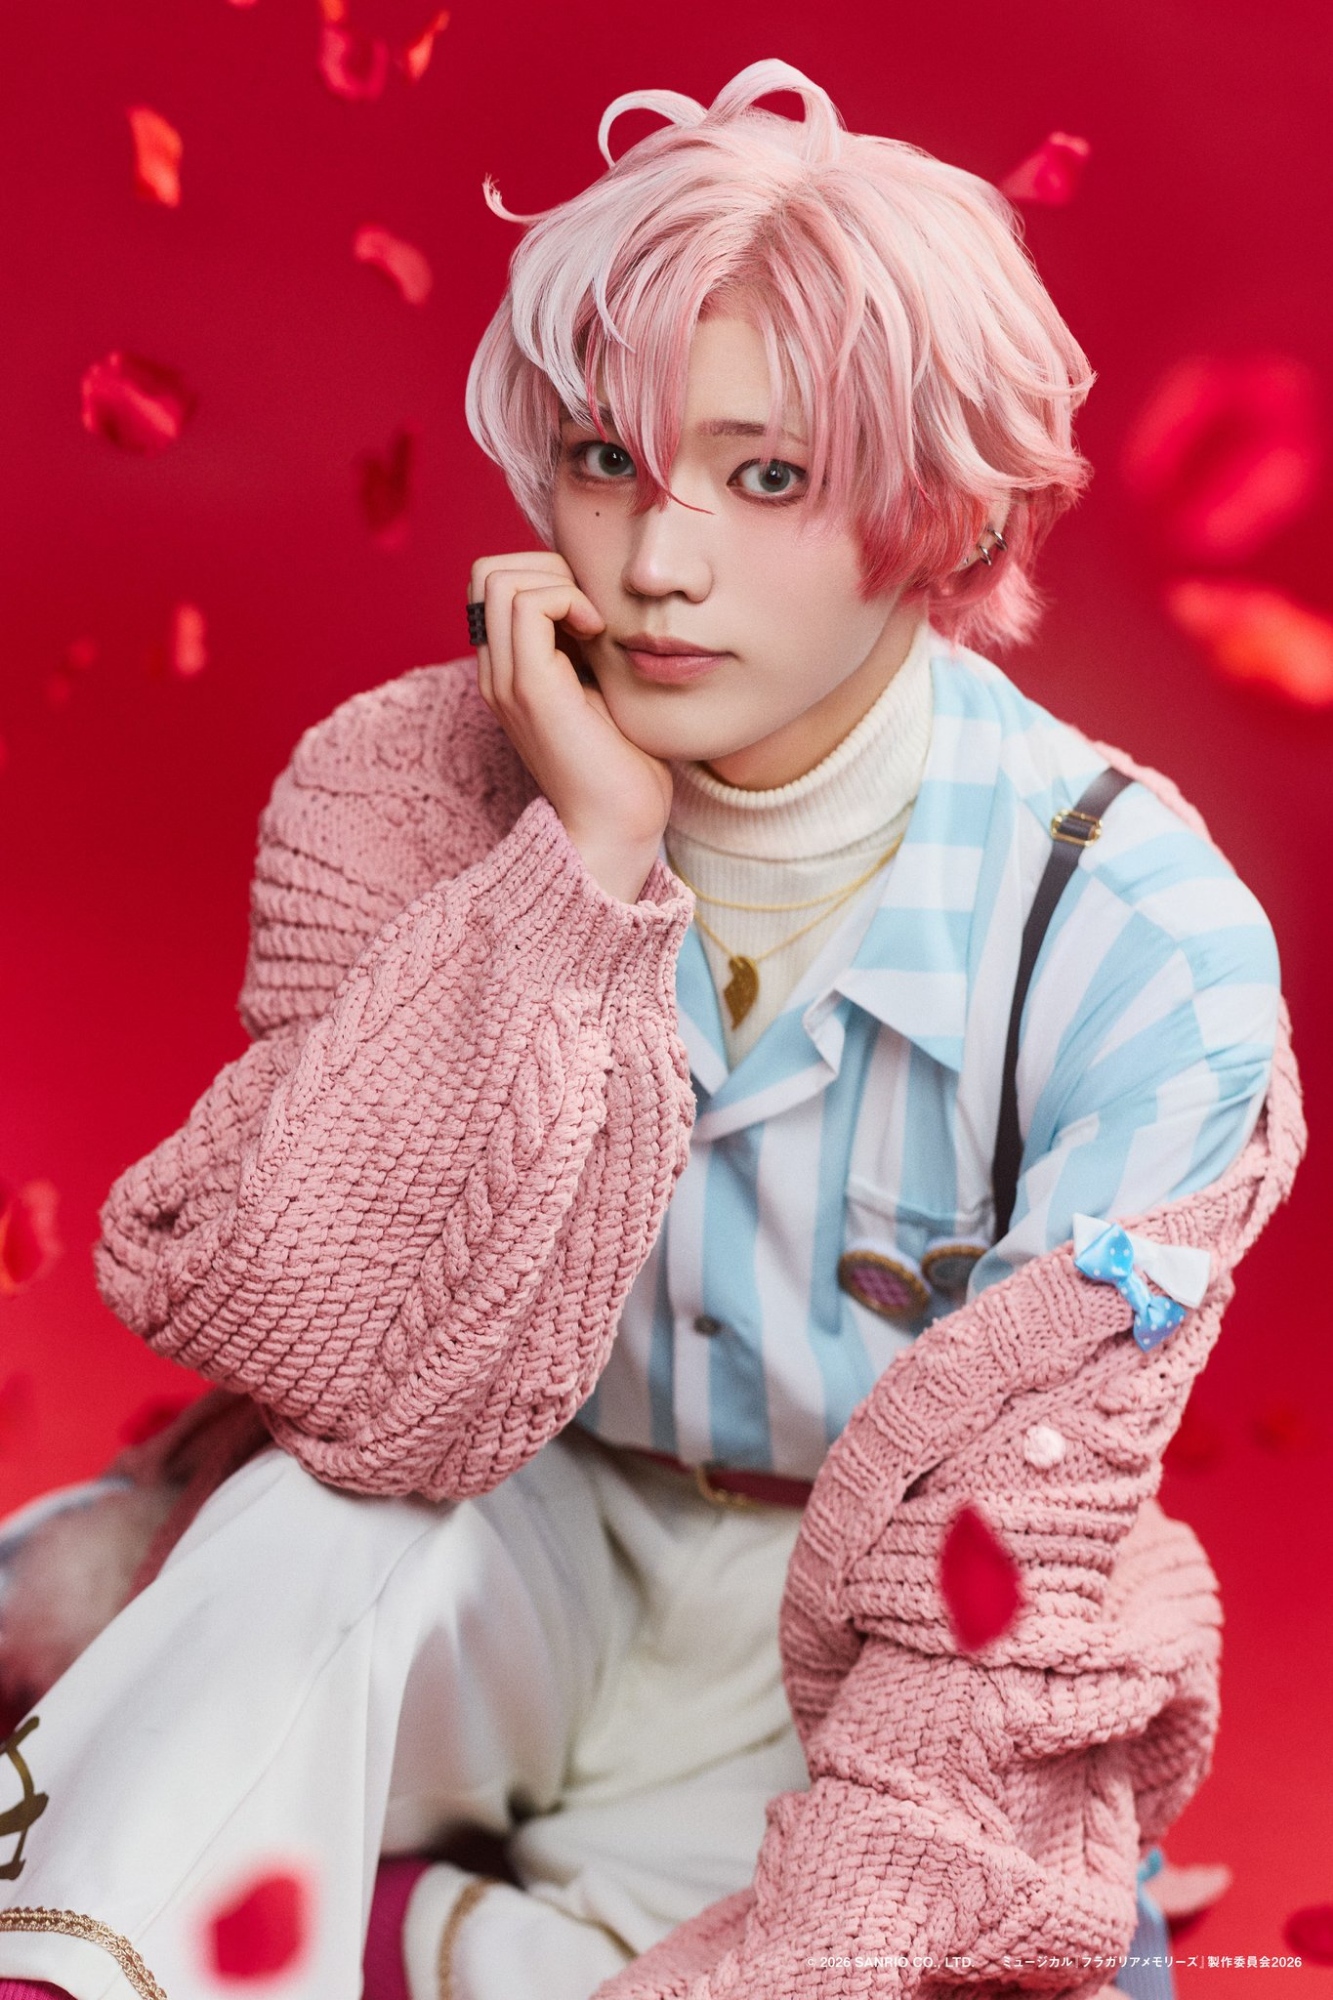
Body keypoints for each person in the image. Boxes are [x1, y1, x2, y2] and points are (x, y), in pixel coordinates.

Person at [0, 57, 1292, 2000]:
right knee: (297, 1533)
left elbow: (1006, 1557)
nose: (658, 563)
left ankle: (414, 1931)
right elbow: (347, 1379)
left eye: (768, 479)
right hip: (492, 1535)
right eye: (606, 459)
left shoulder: (1135, 944)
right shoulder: (406, 787)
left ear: (943, 512)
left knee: (936, 1926)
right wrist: (581, 872)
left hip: (851, 1631)